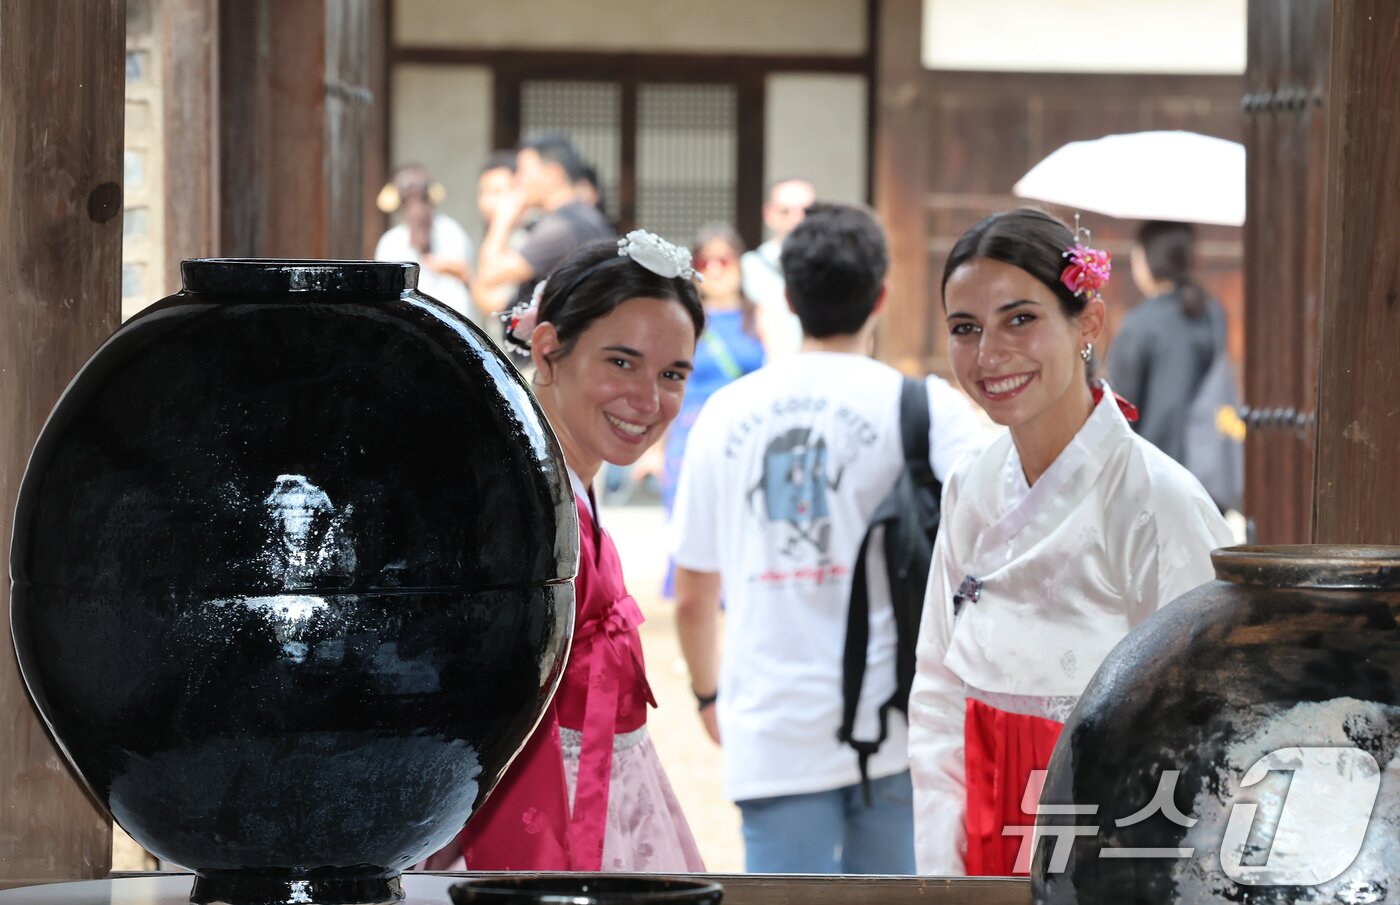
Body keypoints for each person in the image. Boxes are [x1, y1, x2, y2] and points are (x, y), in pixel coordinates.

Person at [907, 208, 1235, 876]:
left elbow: (1210, 721)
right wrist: (944, 860)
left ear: (1087, 322)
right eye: (965, 328)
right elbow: (939, 679)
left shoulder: (1155, 500)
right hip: (977, 811)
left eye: (1019, 318)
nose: (987, 354)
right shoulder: (972, 482)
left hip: (1107, 828)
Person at [670, 204, 988, 874]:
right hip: (900, 720)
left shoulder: (727, 414)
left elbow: (696, 594)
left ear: (786, 296)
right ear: (882, 295)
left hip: (772, 724)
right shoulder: (928, 409)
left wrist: (708, 696)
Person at [458, 232, 707, 873]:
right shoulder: (513, 503)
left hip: (594, 785)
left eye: (672, 374)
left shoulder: (567, 481)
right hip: (530, 806)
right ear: (547, 349)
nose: (648, 401)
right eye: (620, 362)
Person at [656, 224, 766, 597]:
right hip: (688, 432)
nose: (716, 270)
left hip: (747, 432)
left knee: (742, 516)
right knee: (689, 519)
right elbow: (664, 383)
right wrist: (654, 448)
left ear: (739, 263)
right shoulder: (683, 318)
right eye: (706, 261)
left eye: (724, 260)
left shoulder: (760, 317)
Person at [1109, 220, 1228, 466]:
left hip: (1155, 467)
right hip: (1208, 463)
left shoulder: (1141, 323)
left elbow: (1121, 406)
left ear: (1146, 259)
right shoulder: (1211, 312)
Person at [473, 132, 614, 316]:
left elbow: (491, 274)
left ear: (553, 175)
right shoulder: (579, 216)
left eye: (523, 171)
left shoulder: (562, 227)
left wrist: (504, 216)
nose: (518, 181)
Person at [373, 164, 479, 325]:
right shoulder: (391, 243)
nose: (417, 210)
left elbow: (467, 276)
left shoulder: (451, 233)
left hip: (454, 327)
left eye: (421, 198)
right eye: (409, 200)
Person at [740, 177, 815, 360]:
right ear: (769, 214)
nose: (797, 218)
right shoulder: (750, 266)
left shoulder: (830, 264)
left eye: (806, 210)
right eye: (786, 211)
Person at [471, 150, 524, 321]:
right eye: (483, 192)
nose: (486, 202)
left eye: (497, 192)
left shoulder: (526, 239)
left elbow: (499, 306)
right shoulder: (501, 235)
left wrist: (466, 278)